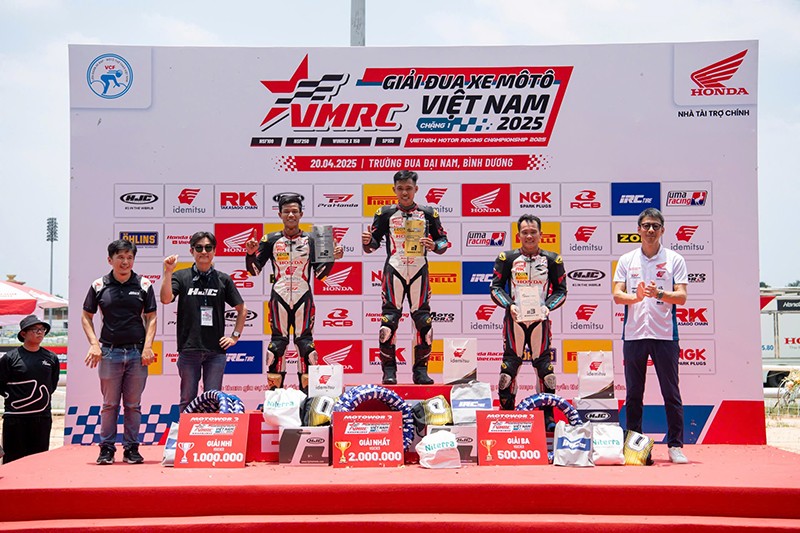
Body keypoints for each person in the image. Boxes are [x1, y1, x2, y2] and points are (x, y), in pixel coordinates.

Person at [244, 193, 343, 393]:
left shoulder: (313, 239)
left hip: (303, 297)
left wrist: (332, 258)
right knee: (276, 347)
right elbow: (254, 271)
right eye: (287, 211)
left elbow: (321, 275)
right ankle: (275, 399)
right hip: (279, 297)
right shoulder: (270, 239)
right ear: (280, 214)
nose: (291, 215)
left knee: (306, 347)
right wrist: (250, 254)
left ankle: (306, 399)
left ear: (301, 214)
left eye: (295, 211)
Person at [612, 207, 689, 464]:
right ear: (638, 230)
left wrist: (659, 294)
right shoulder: (627, 260)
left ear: (663, 230)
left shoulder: (675, 259)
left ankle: (675, 445)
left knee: (671, 392)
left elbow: (682, 297)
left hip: (665, 335)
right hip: (634, 334)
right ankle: (635, 448)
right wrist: (635, 297)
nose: (651, 230)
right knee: (634, 394)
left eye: (655, 226)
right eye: (646, 225)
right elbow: (617, 295)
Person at [362, 170, 449, 385]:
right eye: (400, 189)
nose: (404, 193)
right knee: (388, 323)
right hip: (395, 269)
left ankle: (421, 371)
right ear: (394, 190)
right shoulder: (385, 213)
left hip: (419, 270)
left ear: (416, 189)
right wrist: (367, 241)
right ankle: (389, 371)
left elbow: (444, 241)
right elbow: (373, 245)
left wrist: (434, 245)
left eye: (408, 188)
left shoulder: (428, 213)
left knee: (424, 323)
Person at [82, 239, 157, 465]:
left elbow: (151, 318)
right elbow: (86, 316)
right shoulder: (99, 285)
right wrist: (94, 344)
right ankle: (106, 448)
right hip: (109, 353)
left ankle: (131, 448)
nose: (125, 262)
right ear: (110, 260)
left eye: (129, 258)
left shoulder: (144, 284)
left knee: (133, 405)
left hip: (137, 354)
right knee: (109, 404)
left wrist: (147, 347)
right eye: (120, 257)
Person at [490, 214, 567, 430]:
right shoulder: (507, 258)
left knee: (546, 372)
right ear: (518, 235)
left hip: (540, 320)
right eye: (525, 232)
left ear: (541, 234)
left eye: (533, 232)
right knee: (507, 372)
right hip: (515, 319)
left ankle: (547, 418)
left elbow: (561, 291)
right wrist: (510, 306)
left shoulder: (552, 260)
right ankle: (507, 415)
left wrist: (547, 307)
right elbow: (495, 288)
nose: (529, 236)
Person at [161, 231, 246, 414]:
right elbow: (166, 299)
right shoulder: (181, 276)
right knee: (187, 400)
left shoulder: (223, 279)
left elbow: (242, 309)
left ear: (214, 251)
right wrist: (168, 272)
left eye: (208, 247)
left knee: (213, 401)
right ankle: (186, 433)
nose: (204, 252)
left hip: (215, 352)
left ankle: (208, 433)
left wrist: (234, 336)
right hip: (189, 349)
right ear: (191, 251)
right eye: (199, 248)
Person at [0, 315, 60, 464]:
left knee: (37, 462)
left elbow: (52, 385)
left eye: (42, 329)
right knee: (13, 462)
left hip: (42, 418)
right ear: (23, 333)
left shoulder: (51, 358)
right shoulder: (10, 358)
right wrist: (13, 397)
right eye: (35, 329)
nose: (40, 332)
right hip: (15, 418)